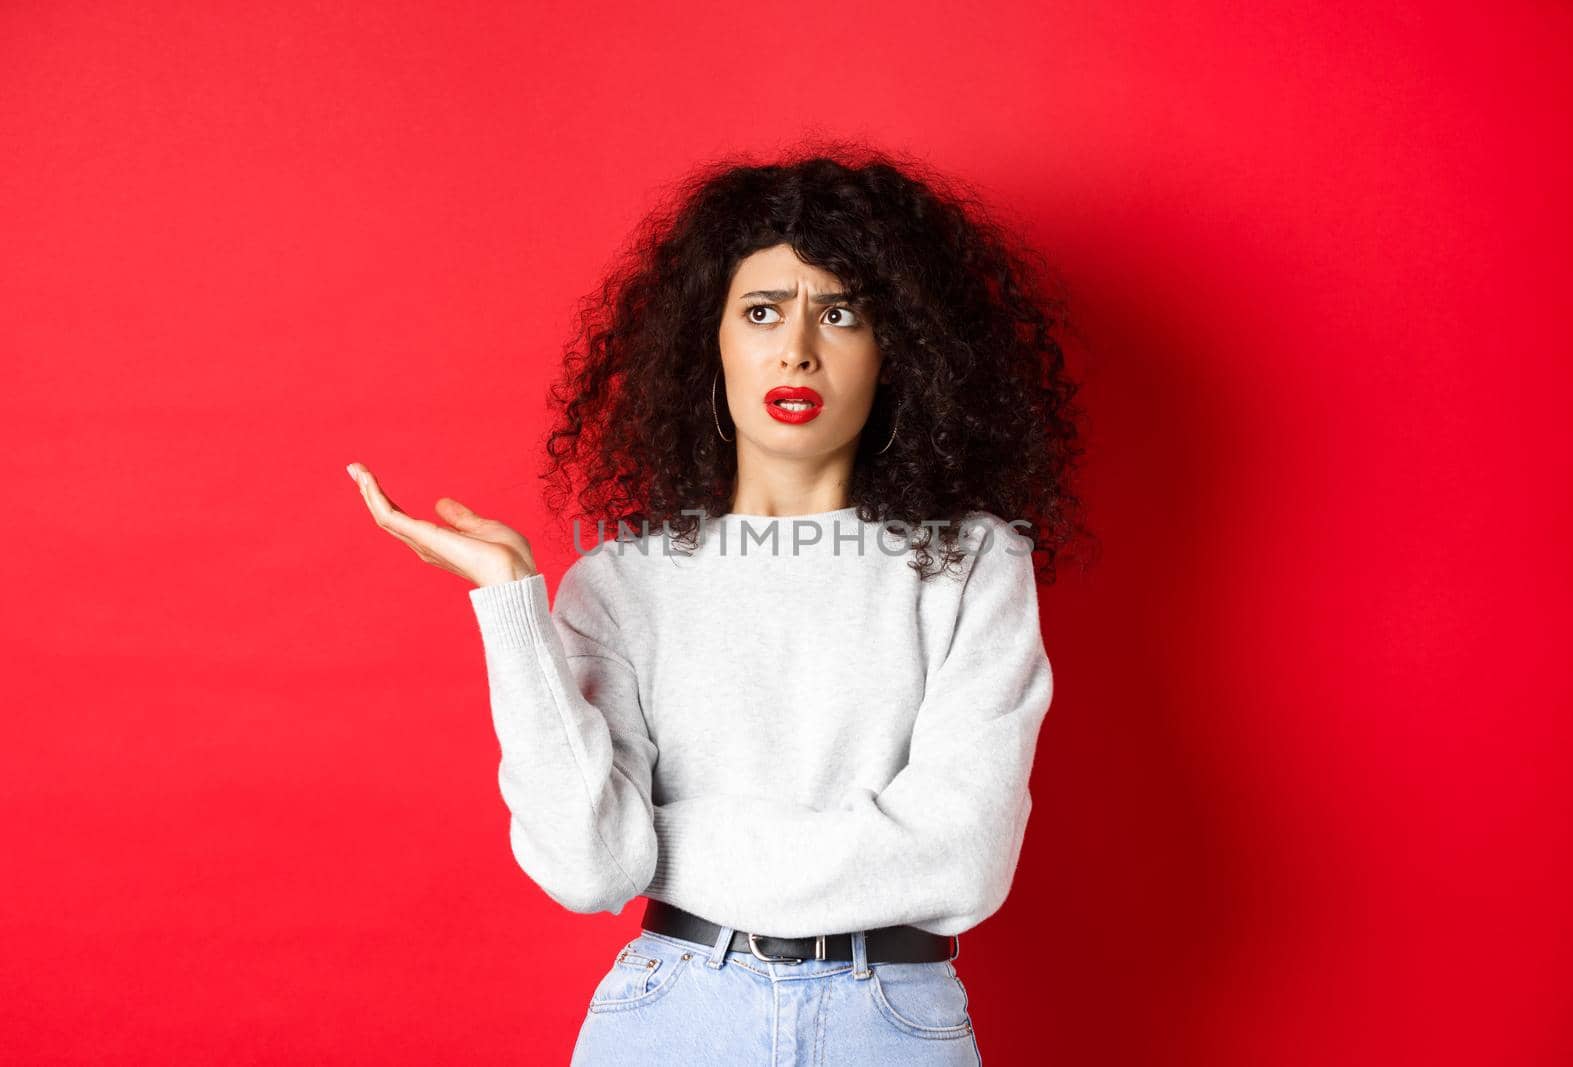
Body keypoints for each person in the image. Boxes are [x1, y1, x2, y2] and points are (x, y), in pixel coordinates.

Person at [348, 145, 1088, 1065]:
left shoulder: (972, 562)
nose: (797, 349)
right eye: (763, 311)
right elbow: (590, 868)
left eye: (841, 313)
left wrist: (662, 835)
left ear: (897, 351)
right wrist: (510, 606)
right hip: (672, 1017)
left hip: (891, 1021)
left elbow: (963, 858)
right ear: (714, 339)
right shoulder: (619, 583)